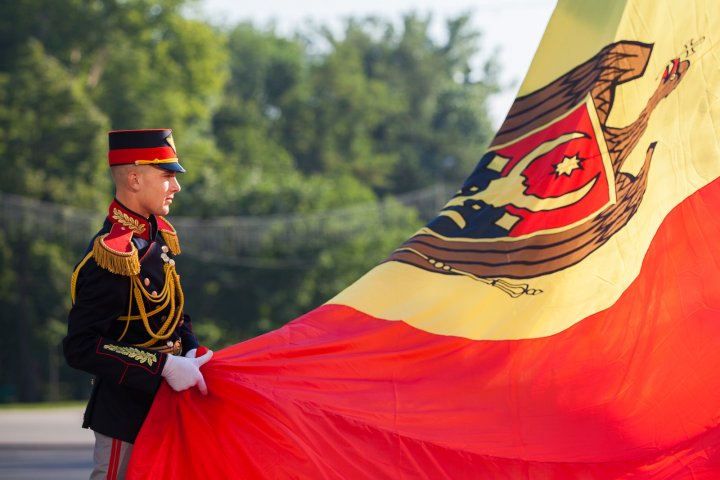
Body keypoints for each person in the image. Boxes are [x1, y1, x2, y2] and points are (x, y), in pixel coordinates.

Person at [63, 129, 213, 479]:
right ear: (134, 178)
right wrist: (162, 367)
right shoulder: (110, 254)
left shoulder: (155, 236)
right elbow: (80, 347)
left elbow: (174, 313)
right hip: (125, 415)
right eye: (167, 176)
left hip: (166, 407)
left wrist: (188, 348)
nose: (175, 187)